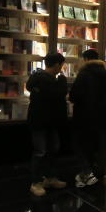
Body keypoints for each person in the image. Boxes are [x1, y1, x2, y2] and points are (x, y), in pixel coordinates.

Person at [26, 52, 69, 196]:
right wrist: (63, 81)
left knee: (52, 149)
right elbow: (58, 93)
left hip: (50, 121)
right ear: (57, 64)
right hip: (40, 121)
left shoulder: (43, 79)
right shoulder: (45, 80)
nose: (61, 68)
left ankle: (50, 178)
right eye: (61, 65)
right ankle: (36, 182)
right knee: (41, 151)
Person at [69, 48, 106, 187]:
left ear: (85, 59)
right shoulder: (105, 74)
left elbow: (74, 95)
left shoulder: (84, 74)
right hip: (102, 117)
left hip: (84, 117)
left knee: (81, 145)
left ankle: (86, 173)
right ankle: (97, 173)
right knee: (97, 146)